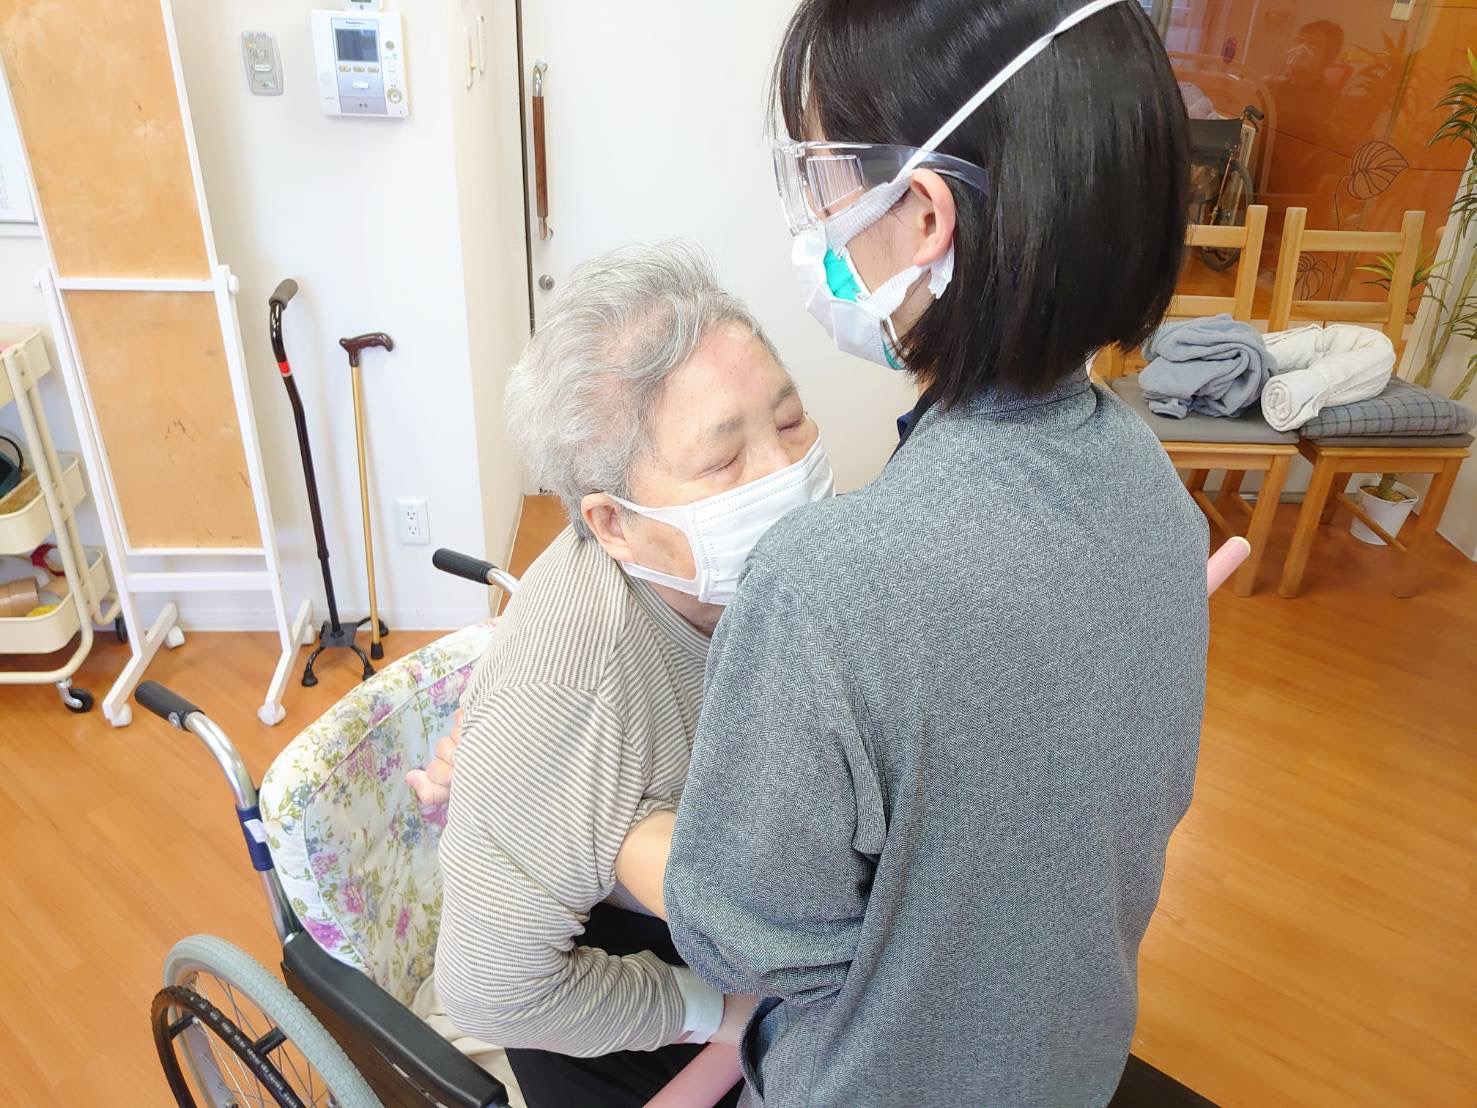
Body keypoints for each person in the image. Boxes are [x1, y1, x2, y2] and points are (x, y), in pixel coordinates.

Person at [661, 2, 1208, 1106]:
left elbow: (748, 939)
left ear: (921, 214)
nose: (816, 218)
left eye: (821, 174)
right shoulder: (1153, 483)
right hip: (1071, 1068)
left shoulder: (823, 586)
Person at [421, 242, 828, 1107]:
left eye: (789, 420)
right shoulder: (570, 697)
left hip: (724, 913)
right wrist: (715, 1016)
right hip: (615, 1011)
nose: (784, 471)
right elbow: (491, 990)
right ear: (612, 523)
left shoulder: (747, 582)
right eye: (723, 460)